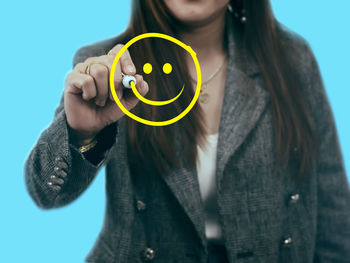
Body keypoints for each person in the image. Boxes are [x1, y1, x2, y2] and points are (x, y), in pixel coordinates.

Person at [25, 0, 350, 262]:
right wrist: (80, 134)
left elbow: (333, 203)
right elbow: (46, 192)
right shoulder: (107, 68)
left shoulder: (292, 60)